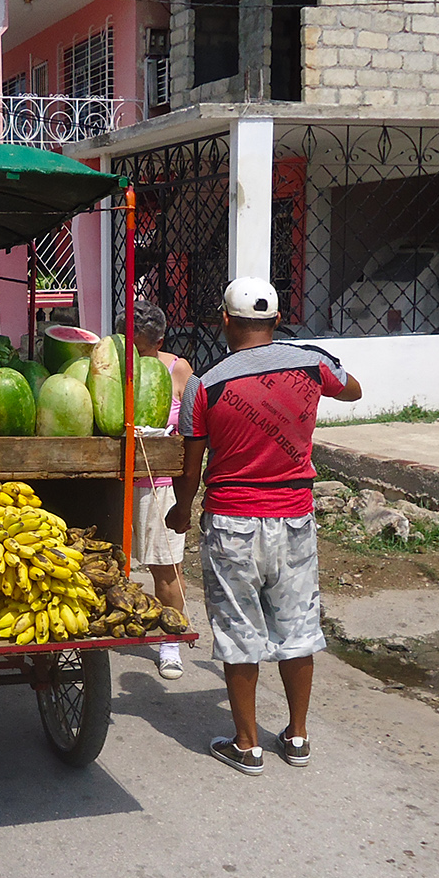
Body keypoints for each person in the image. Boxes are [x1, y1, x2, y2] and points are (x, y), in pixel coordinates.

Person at [166, 277, 361, 776]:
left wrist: (180, 512)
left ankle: (247, 745)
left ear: (224, 321)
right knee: (298, 629)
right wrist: (313, 367)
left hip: (231, 523)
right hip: (294, 519)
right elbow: (353, 390)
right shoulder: (312, 364)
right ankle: (297, 735)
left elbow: (190, 470)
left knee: (239, 632)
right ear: (275, 321)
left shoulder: (205, 386)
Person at [117, 299, 194, 680]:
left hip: (159, 482)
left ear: (159, 341)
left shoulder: (178, 369)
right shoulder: (110, 364)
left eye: (144, 349)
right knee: (110, 563)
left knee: (166, 568)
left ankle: (171, 642)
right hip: (115, 479)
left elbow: (195, 428)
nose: (136, 355)